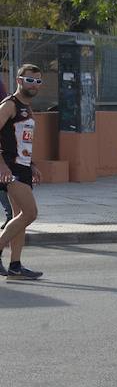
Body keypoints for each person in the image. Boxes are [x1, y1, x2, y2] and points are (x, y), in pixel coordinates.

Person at [0, 64, 44, 280]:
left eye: (38, 81)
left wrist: (33, 164)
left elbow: (22, 139)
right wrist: (2, 165)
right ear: (19, 80)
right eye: (30, 80)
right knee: (30, 213)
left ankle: (15, 266)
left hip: (23, 167)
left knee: (20, 217)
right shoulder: (9, 105)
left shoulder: (28, 108)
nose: (34, 85)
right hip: (9, 168)